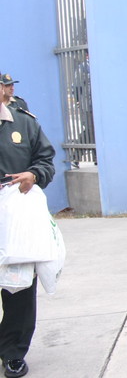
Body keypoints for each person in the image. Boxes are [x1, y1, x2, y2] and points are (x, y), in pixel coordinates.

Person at [0, 96, 56, 378]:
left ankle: (12, 352)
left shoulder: (24, 123)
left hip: (16, 218)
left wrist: (34, 175)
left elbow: (46, 161)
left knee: (18, 286)